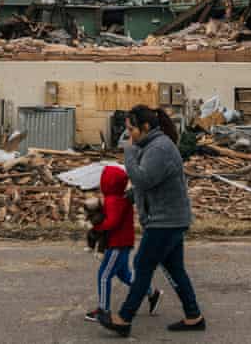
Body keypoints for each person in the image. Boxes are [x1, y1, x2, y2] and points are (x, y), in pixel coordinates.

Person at [99, 105, 205, 338]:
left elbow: (144, 179)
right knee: (175, 269)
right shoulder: (153, 146)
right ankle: (193, 315)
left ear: (145, 127)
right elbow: (149, 184)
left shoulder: (159, 148)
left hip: (166, 220)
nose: (129, 135)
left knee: (142, 265)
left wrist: (128, 155)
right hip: (169, 218)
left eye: (131, 130)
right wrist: (127, 198)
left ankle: (124, 318)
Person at [85, 165, 162, 322]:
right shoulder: (121, 197)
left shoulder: (113, 200)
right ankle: (152, 293)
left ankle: (103, 310)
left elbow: (112, 222)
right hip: (124, 242)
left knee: (104, 275)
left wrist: (97, 226)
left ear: (107, 182)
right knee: (124, 274)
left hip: (117, 244)